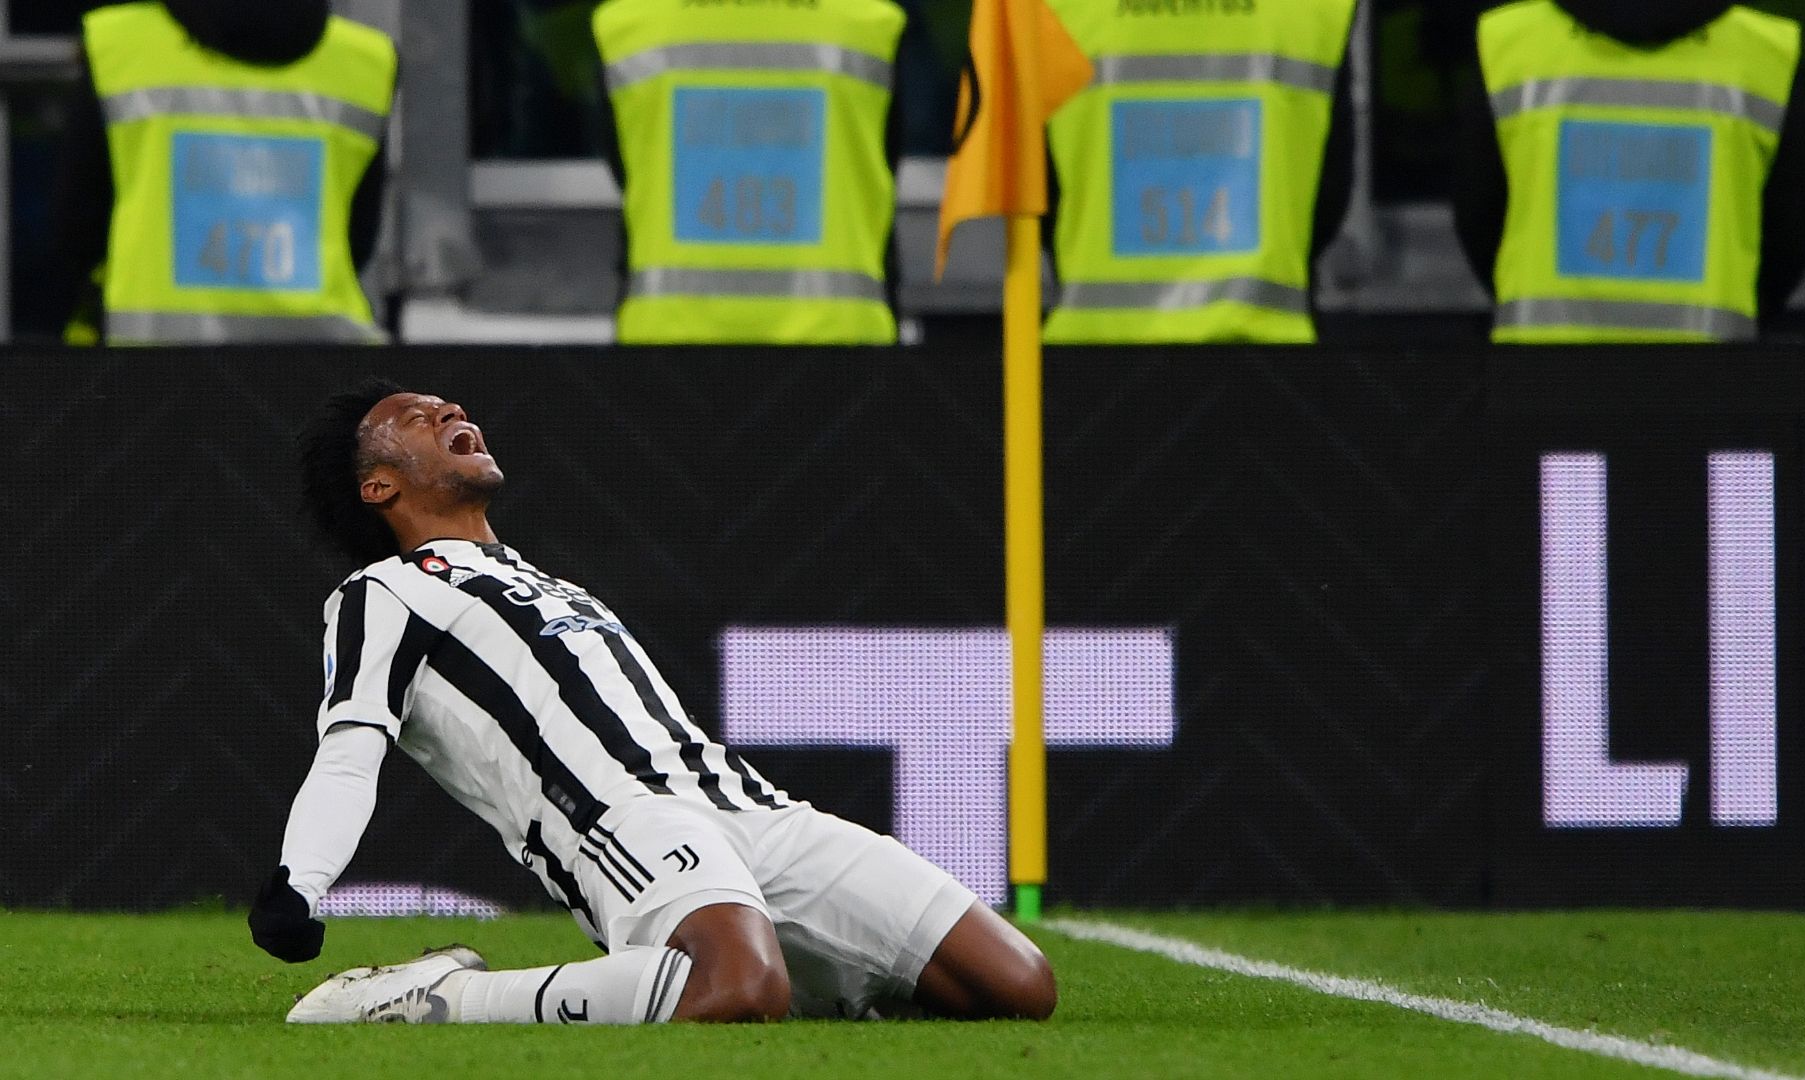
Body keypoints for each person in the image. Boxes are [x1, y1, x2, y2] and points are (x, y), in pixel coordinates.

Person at [247, 379, 1056, 1025]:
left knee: (1019, 987)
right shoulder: (382, 591)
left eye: (447, 404)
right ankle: (440, 1000)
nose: (450, 410)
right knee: (736, 990)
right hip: (621, 820)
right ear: (377, 484)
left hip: (750, 805)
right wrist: (300, 883)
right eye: (416, 416)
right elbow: (351, 748)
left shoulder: (545, 580)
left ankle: (787, 977)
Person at [1452, 0, 1805, 343]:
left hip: (1543, 380)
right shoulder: (1765, 52)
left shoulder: (1509, 42)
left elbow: (1478, 213)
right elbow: (1790, 232)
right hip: (1707, 382)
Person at [52, 0, 394, 345]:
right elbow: (360, 238)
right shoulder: (364, 61)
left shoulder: (120, 45)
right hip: (322, 363)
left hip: (151, 364)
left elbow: (77, 225)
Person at [1038, 0, 1358, 344]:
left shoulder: (1058, 7)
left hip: (1092, 360)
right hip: (1264, 360)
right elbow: (1328, 190)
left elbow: (1034, 191)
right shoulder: (1314, 9)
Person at [591, 0, 905, 344]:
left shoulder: (626, 25)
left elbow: (628, 171)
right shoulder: (871, 24)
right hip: (837, 342)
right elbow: (883, 167)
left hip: (669, 341)